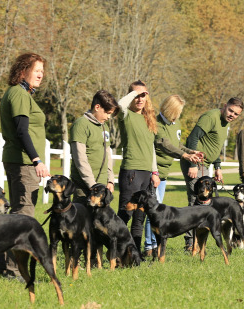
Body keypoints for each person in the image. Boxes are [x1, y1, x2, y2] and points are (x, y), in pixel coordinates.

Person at [180, 97, 244, 251]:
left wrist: (217, 167)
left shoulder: (225, 123)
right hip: (196, 162)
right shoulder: (211, 117)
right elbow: (193, 138)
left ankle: (199, 240)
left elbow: (214, 145)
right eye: (230, 111)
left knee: (205, 202)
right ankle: (191, 243)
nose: (232, 115)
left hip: (206, 164)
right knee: (196, 202)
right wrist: (193, 163)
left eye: (236, 114)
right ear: (225, 106)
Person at [144, 95, 202, 256]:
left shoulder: (176, 124)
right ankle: (150, 246)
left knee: (157, 208)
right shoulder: (157, 124)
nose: (179, 115)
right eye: (178, 111)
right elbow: (165, 144)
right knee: (153, 210)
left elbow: (177, 145)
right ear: (171, 110)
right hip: (153, 172)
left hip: (164, 173)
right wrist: (184, 156)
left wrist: (191, 152)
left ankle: (154, 244)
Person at [0, 52, 50, 216]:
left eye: (42, 71)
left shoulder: (21, 94)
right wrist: (37, 160)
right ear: (23, 71)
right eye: (36, 70)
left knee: (20, 213)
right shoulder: (19, 94)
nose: (40, 75)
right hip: (24, 163)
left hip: (23, 162)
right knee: (24, 215)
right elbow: (22, 131)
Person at [116, 80, 160, 252]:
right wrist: (134, 93)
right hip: (131, 171)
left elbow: (151, 149)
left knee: (140, 216)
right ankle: (117, 252)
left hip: (146, 173)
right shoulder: (126, 115)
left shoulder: (148, 119)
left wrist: (154, 172)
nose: (140, 99)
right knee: (125, 213)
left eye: (143, 95)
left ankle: (135, 254)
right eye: (136, 95)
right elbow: (119, 104)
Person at [70, 90, 118, 204]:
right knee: (83, 221)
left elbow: (108, 155)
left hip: (102, 188)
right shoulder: (81, 125)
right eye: (107, 112)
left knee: (101, 222)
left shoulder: (104, 127)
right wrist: (92, 185)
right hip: (84, 187)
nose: (109, 117)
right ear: (97, 107)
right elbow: (80, 159)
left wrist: (110, 180)